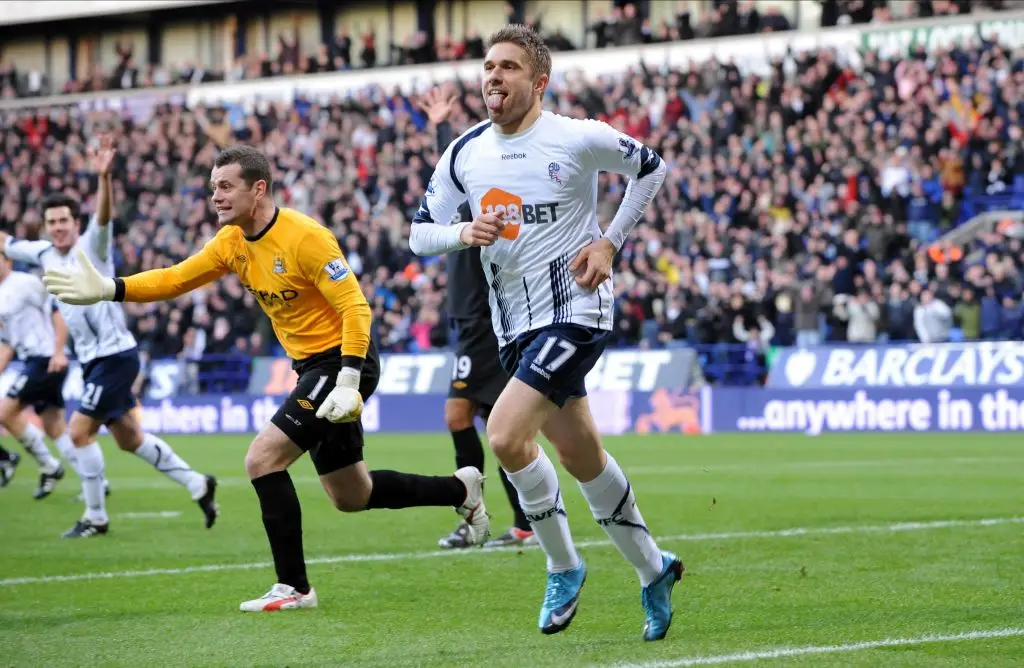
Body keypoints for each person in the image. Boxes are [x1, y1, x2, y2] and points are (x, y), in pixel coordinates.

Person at [43, 144, 491, 613]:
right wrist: (111, 288)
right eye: (213, 187)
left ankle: (294, 587)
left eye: (225, 186)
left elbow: (356, 308)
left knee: (262, 459)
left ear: (258, 189)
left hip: (342, 360)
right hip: (311, 368)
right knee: (351, 495)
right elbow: (176, 278)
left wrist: (347, 378)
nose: (215, 196)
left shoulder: (305, 237)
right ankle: (461, 490)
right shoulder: (231, 242)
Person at [408, 25, 683, 641]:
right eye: (488, 66)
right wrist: (463, 232)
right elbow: (419, 233)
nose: (493, 77)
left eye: (508, 67)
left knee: (506, 435)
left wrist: (609, 242)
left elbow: (651, 168)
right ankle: (654, 568)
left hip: (576, 312)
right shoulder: (464, 153)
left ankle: (562, 565)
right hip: (512, 328)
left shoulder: (576, 136)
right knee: (582, 456)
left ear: (539, 82)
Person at [0, 137, 218, 538]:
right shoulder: (44, 254)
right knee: (129, 439)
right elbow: (7, 244)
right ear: (47, 227)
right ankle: (198, 484)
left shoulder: (91, 247)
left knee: (79, 431)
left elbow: (103, 218)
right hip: (93, 361)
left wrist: (103, 179)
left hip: (116, 356)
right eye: (52, 222)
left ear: (75, 223)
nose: (58, 227)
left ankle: (95, 517)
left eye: (64, 220)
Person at [418, 87, 536, 550]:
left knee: (465, 417)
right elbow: (449, 166)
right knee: (497, 427)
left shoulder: (489, 205)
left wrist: (444, 130)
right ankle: (519, 522)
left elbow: (459, 167)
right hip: (468, 325)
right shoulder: (455, 206)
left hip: (486, 328)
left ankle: (482, 519)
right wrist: (440, 127)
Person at [0, 251, 70, 500]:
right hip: (33, 361)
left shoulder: (25, 283)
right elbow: (7, 343)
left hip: (45, 359)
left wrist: (59, 351)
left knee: (4, 413)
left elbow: (57, 311)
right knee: (54, 426)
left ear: (8, 260)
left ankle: (49, 466)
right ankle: (96, 481)